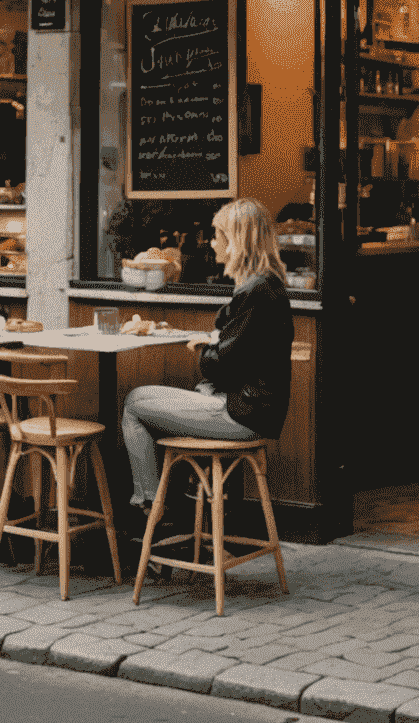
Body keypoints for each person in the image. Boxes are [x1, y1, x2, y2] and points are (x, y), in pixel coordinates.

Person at [121, 197, 293, 528]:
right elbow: (243, 350)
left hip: (244, 413)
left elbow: (219, 366)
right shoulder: (267, 286)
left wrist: (207, 349)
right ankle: (192, 495)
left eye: (217, 235)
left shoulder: (256, 291)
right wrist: (217, 342)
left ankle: (151, 512)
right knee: (195, 392)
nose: (211, 243)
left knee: (134, 402)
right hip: (255, 409)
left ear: (236, 241)